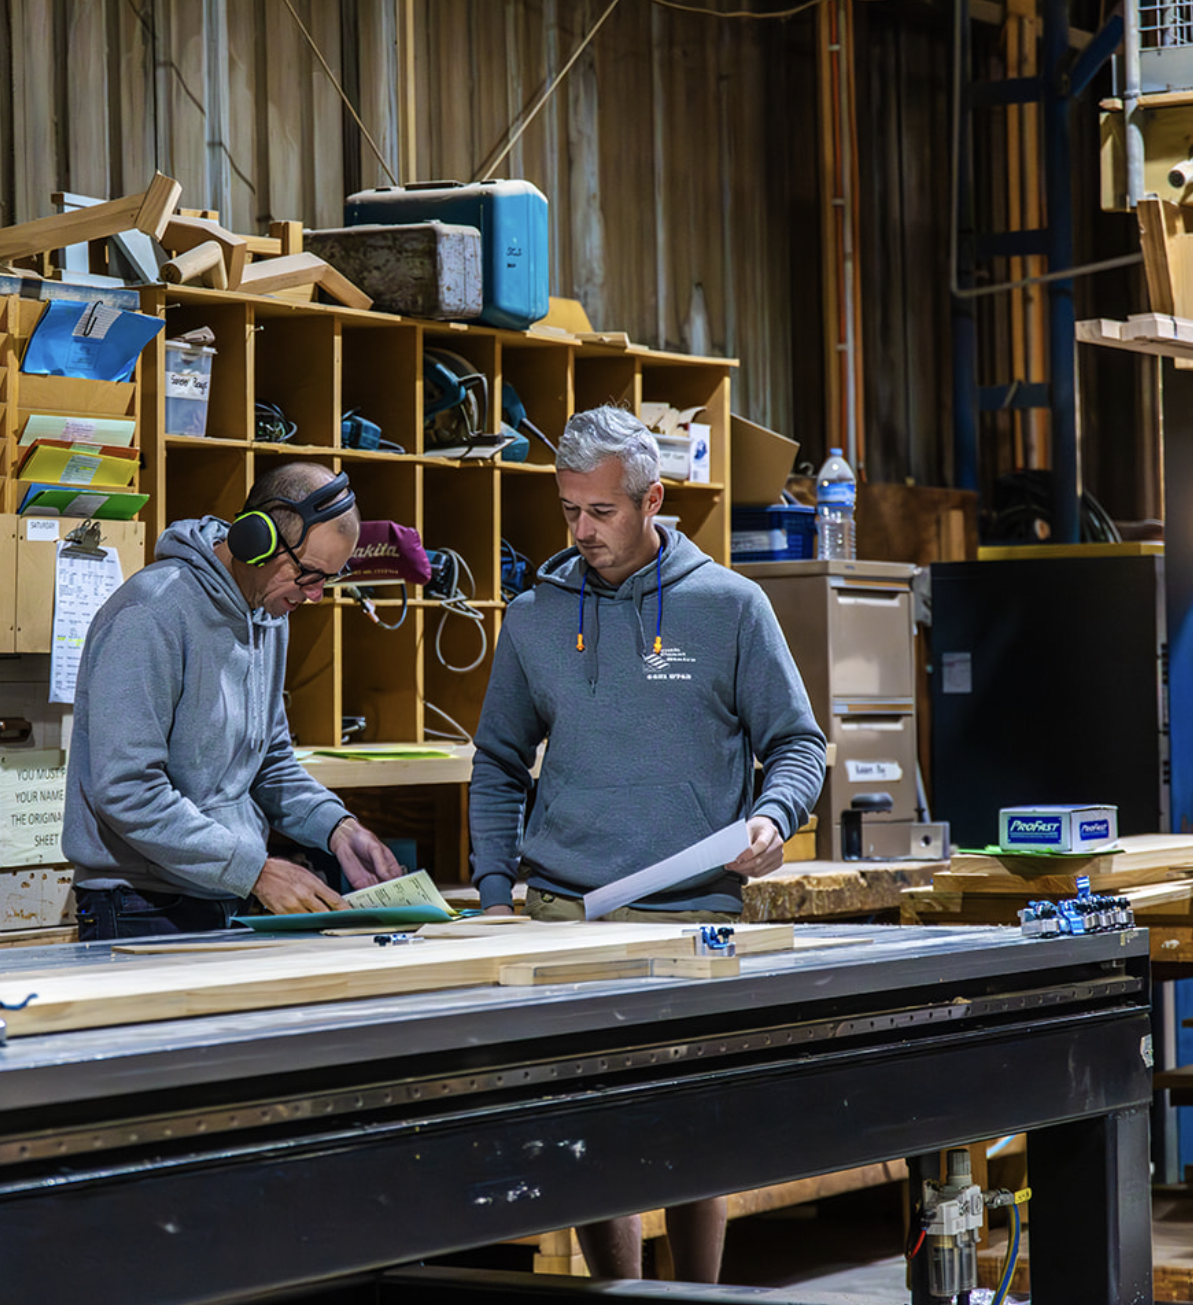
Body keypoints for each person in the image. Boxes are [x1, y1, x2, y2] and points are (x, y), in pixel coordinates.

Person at [469, 406, 828, 1281]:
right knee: (592, 1133)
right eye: (568, 511)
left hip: (692, 916)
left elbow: (798, 743)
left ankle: (698, 1298)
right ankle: (618, 1292)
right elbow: (498, 763)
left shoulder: (730, 608)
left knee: (692, 1129)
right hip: (565, 914)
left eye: (601, 512)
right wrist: (490, 897)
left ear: (653, 500)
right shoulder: (537, 617)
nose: (582, 531)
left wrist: (773, 817)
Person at [66, 462, 406, 940]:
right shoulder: (151, 612)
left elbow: (269, 762)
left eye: (329, 578)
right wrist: (256, 871)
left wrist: (338, 828)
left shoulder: (266, 615)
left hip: (223, 892)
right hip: (141, 905)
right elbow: (127, 790)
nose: (315, 597)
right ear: (255, 540)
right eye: (309, 575)